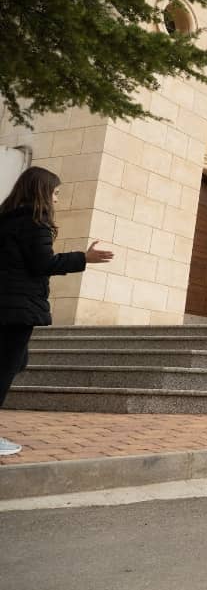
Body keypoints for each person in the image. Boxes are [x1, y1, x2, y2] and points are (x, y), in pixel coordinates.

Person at [0, 167, 114, 457]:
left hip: (7, 305)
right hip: (17, 309)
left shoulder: (5, 219)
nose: (57, 199)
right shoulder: (35, 223)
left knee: (16, 362)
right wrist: (84, 258)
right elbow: (43, 264)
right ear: (42, 191)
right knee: (6, 367)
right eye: (56, 193)